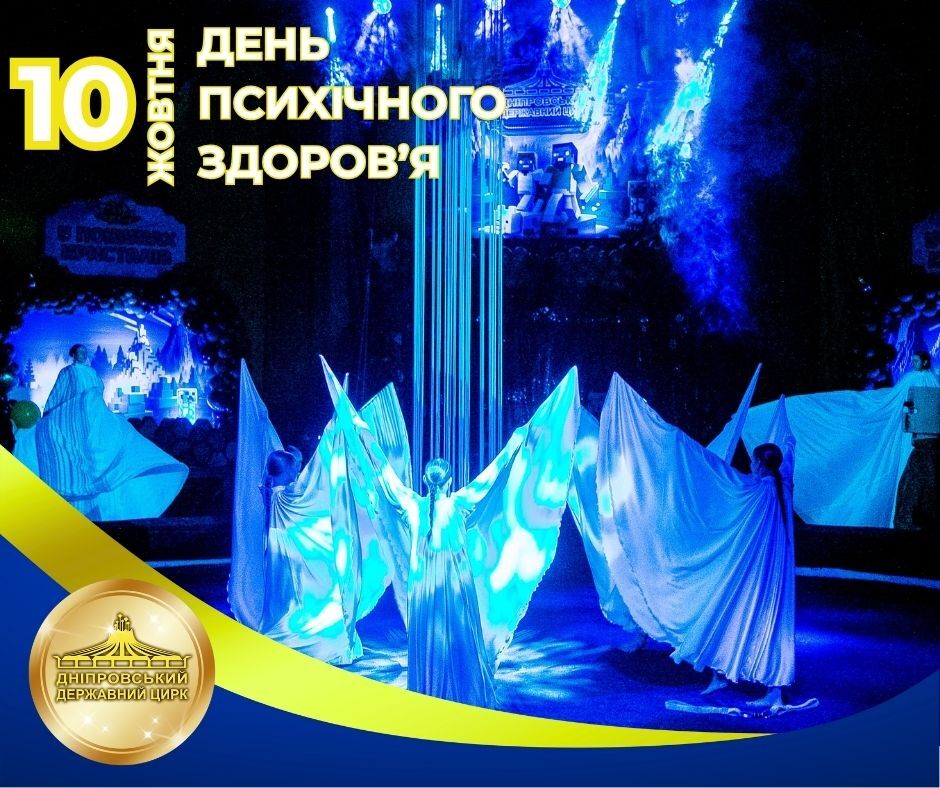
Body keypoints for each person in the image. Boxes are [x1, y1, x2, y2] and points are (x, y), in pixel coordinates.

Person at [320, 356, 579, 708]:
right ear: (449, 480)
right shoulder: (455, 503)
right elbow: (496, 472)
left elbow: (379, 466)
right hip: (448, 586)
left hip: (427, 586)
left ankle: (433, 689)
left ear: (427, 480)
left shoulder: (415, 504)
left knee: (437, 633)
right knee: (452, 634)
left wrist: (353, 423)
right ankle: (452, 690)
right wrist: (519, 440)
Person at [590, 375, 795, 709]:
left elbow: (718, 476)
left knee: (738, 615)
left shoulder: (760, 491)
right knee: (733, 615)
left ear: (760, 464)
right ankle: (727, 675)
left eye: (754, 462)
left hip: (758, 573)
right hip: (761, 572)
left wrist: (677, 444)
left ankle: (771, 687)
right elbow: (780, 456)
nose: (751, 465)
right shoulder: (780, 488)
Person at [31, 343, 188, 520]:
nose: (83, 355)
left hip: (93, 414)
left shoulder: (91, 373)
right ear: (73, 354)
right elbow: (58, 395)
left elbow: (97, 392)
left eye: (84, 352)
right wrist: (51, 414)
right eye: (79, 352)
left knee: (113, 443)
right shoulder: (68, 372)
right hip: (71, 415)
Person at [894, 352, 940, 529]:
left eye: (916, 360)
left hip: (930, 439)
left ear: (925, 361)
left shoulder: (934, 379)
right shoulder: (911, 379)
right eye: (912, 360)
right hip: (918, 438)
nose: (913, 363)